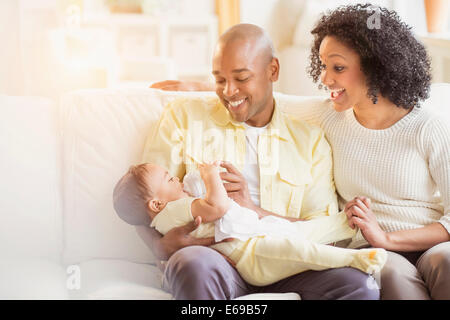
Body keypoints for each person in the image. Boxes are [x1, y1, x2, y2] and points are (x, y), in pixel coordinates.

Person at [153, 5, 450, 300]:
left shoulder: (425, 128)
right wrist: (207, 86)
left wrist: (389, 238)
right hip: (363, 247)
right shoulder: (330, 116)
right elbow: (267, 99)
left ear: (376, 66)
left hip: (418, 240)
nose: (325, 79)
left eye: (338, 67)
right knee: (389, 272)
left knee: (437, 265)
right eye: (323, 66)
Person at [138, 23, 380, 300]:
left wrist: (253, 209)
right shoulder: (183, 117)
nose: (229, 91)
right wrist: (159, 248)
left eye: (241, 78)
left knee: (358, 284)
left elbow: (323, 230)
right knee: (192, 263)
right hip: (217, 260)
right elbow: (145, 199)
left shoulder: (309, 140)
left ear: (273, 70)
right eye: (219, 79)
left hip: (287, 263)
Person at [113, 162, 387, 286]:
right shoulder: (176, 210)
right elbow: (217, 206)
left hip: (255, 235)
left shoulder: (171, 211)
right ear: (156, 205)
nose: (176, 178)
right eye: (170, 179)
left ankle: (345, 223)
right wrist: (210, 177)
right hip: (250, 254)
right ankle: (354, 258)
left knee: (298, 232)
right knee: (296, 247)